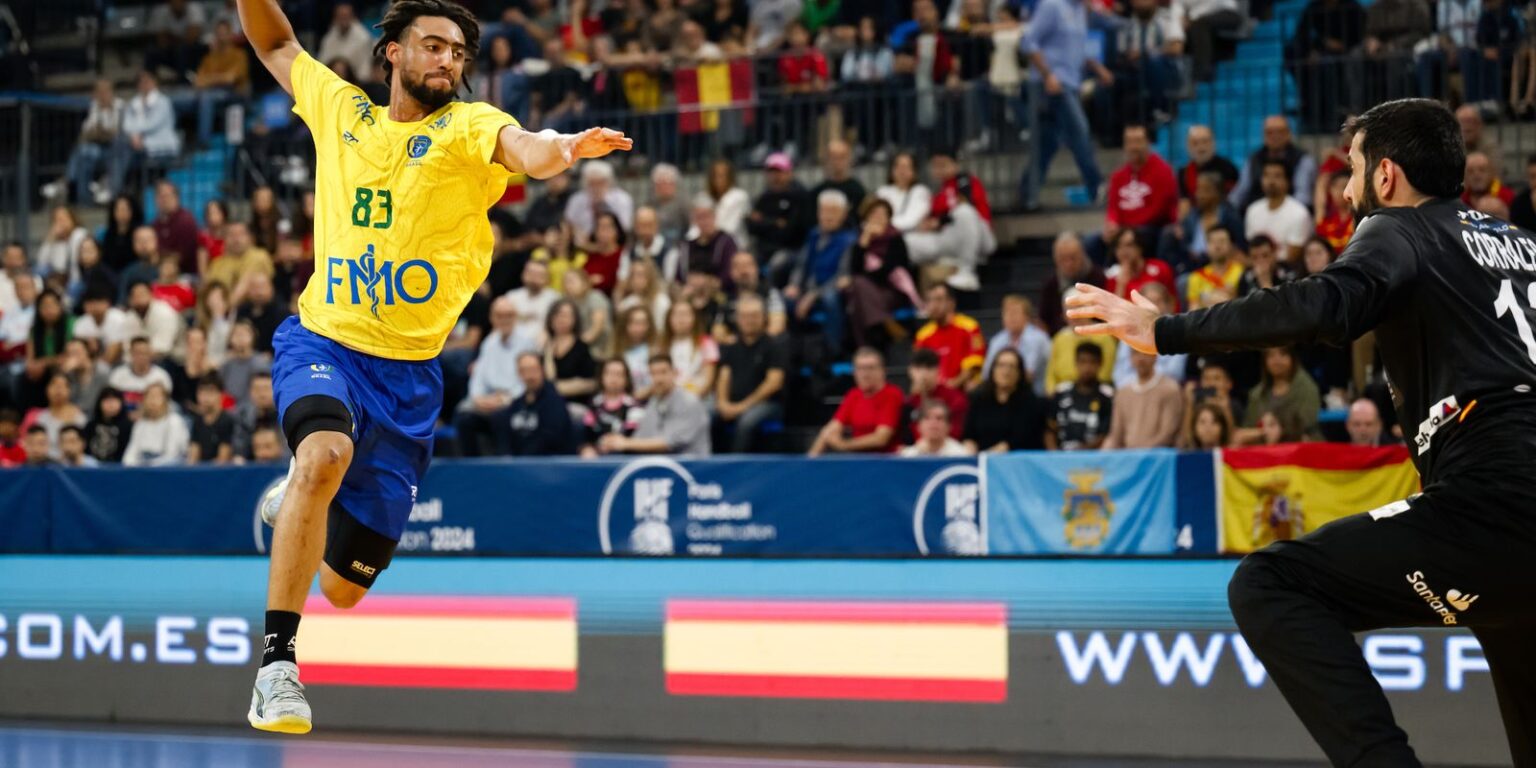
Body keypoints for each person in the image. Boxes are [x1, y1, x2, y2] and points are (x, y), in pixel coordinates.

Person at [1064, 97, 1536, 765]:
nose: (1345, 188)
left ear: (1386, 177)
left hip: (1495, 494)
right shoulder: (1522, 245)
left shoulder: (1399, 228)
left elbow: (1320, 303)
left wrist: (1166, 331)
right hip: (1510, 512)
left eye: (1352, 168)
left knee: (1269, 585)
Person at [236, 0, 631, 733]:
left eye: (457, 52)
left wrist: (565, 149)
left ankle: (296, 498)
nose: (447, 60)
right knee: (324, 454)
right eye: (432, 46)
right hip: (324, 341)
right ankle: (277, 667)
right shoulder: (342, 112)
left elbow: (524, 147)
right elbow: (276, 42)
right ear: (392, 52)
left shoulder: (468, 128)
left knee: (346, 588)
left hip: (410, 378)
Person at [1021, 0, 1109, 209]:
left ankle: (1027, 196)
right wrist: (1048, 75)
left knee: (1047, 144)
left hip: (1071, 82)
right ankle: (1097, 188)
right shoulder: (1052, 5)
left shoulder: (1080, 10)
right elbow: (1028, 41)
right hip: (1050, 85)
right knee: (1079, 132)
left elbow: (1075, 48)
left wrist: (1097, 68)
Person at [905, 152, 995, 292]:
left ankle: (967, 271)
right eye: (935, 166)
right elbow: (932, 219)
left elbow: (967, 206)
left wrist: (939, 221)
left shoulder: (965, 181)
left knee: (964, 212)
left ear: (955, 165)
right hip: (951, 239)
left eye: (943, 165)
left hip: (980, 237)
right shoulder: (936, 191)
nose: (939, 169)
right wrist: (926, 224)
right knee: (907, 241)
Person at [714, 295, 788, 454]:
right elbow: (723, 377)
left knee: (747, 421)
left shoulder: (775, 345)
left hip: (768, 404)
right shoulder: (731, 346)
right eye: (744, 316)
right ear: (737, 319)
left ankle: (736, 466)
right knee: (707, 416)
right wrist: (722, 403)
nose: (749, 320)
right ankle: (707, 466)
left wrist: (742, 406)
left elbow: (774, 383)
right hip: (734, 402)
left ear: (764, 317)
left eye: (754, 315)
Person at [785, 190, 857, 353]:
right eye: (824, 211)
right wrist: (794, 284)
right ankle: (794, 352)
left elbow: (842, 276)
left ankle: (834, 351)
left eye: (833, 212)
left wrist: (813, 295)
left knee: (830, 299)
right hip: (808, 288)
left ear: (844, 214)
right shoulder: (814, 234)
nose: (827, 216)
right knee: (785, 299)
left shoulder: (849, 240)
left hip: (830, 289)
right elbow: (801, 265)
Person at [843, 198, 920, 350]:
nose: (879, 218)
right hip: (868, 293)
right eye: (874, 214)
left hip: (892, 290)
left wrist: (866, 277)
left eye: (883, 214)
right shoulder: (858, 240)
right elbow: (855, 268)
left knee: (858, 291)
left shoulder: (895, 238)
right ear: (866, 217)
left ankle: (865, 348)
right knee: (858, 290)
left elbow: (889, 270)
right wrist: (864, 240)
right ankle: (885, 324)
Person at [599, 354, 711, 457]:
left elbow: (669, 442)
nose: (658, 379)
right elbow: (641, 437)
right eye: (653, 373)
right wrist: (613, 441)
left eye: (663, 372)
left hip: (693, 468)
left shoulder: (689, 402)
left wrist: (625, 443)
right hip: (663, 467)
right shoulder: (654, 402)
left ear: (674, 373)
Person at [808, 347, 903, 456]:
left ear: (882, 371)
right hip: (859, 461)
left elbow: (881, 438)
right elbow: (830, 430)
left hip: (886, 460)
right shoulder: (854, 395)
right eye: (860, 368)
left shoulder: (892, 394)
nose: (865, 374)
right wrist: (808, 464)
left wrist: (845, 445)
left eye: (870, 368)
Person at [42, 80, 123, 206]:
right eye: (99, 92)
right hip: (97, 148)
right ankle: (84, 200)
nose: (102, 95)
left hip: (116, 151)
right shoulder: (95, 107)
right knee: (84, 152)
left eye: (105, 92)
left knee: (85, 152)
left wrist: (100, 133)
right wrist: (99, 132)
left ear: (111, 92)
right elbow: (85, 133)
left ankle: (65, 182)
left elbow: (116, 132)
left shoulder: (120, 106)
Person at [107, 72, 180, 202]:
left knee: (122, 146)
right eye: (141, 82)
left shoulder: (163, 102)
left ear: (154, 82)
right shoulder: (134, 103)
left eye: (147, 81)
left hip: (160, 143)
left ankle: (117, 192)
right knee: (119, 143)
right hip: (136, 144)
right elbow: (126, 124)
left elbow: (153, 123)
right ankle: (118, 190)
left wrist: (136, 135)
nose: (144, 85)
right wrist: (134, 136)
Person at [747, 152, 814, 283]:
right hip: (764, 250)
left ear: (789, 173)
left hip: (792, 251)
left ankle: (770, 295)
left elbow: (791, 231)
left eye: (779, 172)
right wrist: (775, 222)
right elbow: (751, 226)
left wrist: (764, 222)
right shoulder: (763, 197)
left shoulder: (800, 197)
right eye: (771, 173)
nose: (775, 177)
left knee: (776, 264)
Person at [964, 348, 1047, 452]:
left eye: (1012, 367)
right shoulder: (978, 398)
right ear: (993, 370)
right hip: (982, 460)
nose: (1006, 371)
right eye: (1001, 365)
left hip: (1018, 460)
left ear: (1019, 373)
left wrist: (989, 456)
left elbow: (1022, 438)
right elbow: (969, 435)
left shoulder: (1031, 402)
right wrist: (970, 451)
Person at [1230, 116, 1319, 211]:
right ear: (1263, 135)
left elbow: (1303, 196)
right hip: (1257, 213)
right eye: (1270, 132)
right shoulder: (1253, 160)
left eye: (1280, 131)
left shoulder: (1303, 160)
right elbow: (1240, 192)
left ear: (1289, 133)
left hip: (1290, 214)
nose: (1275, 136)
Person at [1102, 350, 1184, 448]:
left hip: (1160, 458)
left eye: (1145, 352)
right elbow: (1116, 435)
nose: (1140, 358)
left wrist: (1140, 454)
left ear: (1155, 356)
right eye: (1135, 353)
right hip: (1129, 457)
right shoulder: (1123, 393)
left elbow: (1168, 433)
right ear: (1130, 358)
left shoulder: (1170, 389)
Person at [498, 352, 575, 456]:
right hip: (518, 466)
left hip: (549, 465)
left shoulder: (555, 402)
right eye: (524, 371)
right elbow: (506, 437)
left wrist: (522, 460)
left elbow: (550, 438)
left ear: (542, 370)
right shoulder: (516, 405)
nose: (529, 376)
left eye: (533, 369)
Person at [914, 284, 986, 391]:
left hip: (962, 388)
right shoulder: (923, 335)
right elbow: (918, 369)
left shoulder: (970, 327)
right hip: (934, 392)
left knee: (972, 385)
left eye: (938, 300)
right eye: (929, 301)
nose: (933, 305)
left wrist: (951, 386)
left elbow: (973, 366)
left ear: (951, 303)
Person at [1046, 342, 1114, 451]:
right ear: (1076, 363)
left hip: (1094, 459)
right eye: (1083, 362)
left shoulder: (1108, 396)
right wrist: (1054, 455)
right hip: (1060, 457)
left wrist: (1079, 454)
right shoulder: (1061, 392)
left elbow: (1106, 434)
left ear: (1100, 364)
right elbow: (1049, 430)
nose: (1087, 367)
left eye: (1092, 362)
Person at [1245, 160, 1316, 261]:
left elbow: (1293, 257)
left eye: (1277, 176)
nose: (1271, 181)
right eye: (1266, 175)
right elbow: (1252, 249)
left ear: (1288, 181)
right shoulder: (1252, 210)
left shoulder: (1299, 213)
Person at [984, 295, 1052, 396]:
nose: (1010, 317)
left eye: (1015, 312)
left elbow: (1028, 375)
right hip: (1004, 395)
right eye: (1006, 312)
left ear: (1027, 317)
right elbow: (987, 373)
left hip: (1035, 395)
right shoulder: (997, 340)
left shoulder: (1038, 338)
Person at [1040, 232, 1106, 334]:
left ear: (1083, 255)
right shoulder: (1051, 284)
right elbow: (1044, 320)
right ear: (1055, 259)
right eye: (1063, 259)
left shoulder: (1098, 277)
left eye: (1073, 258)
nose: (1068, 264)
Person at [716, 251, 788, 344]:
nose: (743, 271)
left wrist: (752, 347)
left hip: (765, 348)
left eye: (747, 265)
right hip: (735, 349)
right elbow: (718, 329)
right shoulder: (726, 297)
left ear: (756, 269)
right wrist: (732, 343)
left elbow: (777, 325)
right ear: (731, 272)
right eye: (737, 267)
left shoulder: (770, 293)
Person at [579, 358, 645, 457]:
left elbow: (632, 438)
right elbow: (587, 435)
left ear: (626, 379)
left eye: (619, 374)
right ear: (602, 377)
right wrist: (587, 449)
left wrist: (613, 443)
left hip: (623, 458)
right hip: (596, 456)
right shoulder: (594, 404)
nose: (614, 379)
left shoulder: (634, 406)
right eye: (609, 373)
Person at [904, 347, 970, 444]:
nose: (923, 374)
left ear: (938, 370)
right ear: (910, 371)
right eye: (918, 368)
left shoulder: (955, 398)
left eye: (929, 368)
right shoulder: (909, 402)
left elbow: (957, 432)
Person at [564, 160, 635, 242]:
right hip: (583, 246)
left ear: (609, 182)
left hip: (615, 245)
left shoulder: (622, 199)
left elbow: (625, 227)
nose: (596, 188)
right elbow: (568, 225)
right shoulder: (576, 200)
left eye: (600, 182)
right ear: (585, 183)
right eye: (592, 183)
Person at [661, 301, 719, 398]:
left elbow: (708, 381)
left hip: (698, 397)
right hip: (669, 397)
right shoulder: (662, 345)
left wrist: (690, 399)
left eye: (686, 315)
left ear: (694, 318)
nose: (681, 319)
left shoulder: (707, 343)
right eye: (676, 315)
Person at [542, 300, 597, 401]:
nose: (561, 319)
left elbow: (591, 383)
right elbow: (548, 379)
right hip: (549, 402)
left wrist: (558, 388)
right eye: (558, 314)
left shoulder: (581, 347)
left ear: (575, 320)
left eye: (566, 315)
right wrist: (548, 353)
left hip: (575, 402)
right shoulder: (544, 347)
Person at [121, 383, 189, 467]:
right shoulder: (140, 424)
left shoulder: (174, 421)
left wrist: (148, 466)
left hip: (167, 471)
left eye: (157, 396)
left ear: (166, 400)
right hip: (143, 469)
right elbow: (130, 454)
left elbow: (172, 455)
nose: (153, 400)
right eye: (149, 396)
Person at [23, 371, 87, 459]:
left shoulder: (80, 418)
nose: (58, 390)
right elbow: (26, 445)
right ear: (47, 389)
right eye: (54, 385)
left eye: (62, 386)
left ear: (70, 390)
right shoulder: (37, 417)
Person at [1186, 226, 1246, 310]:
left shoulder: (1242, 272)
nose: (1217, 246)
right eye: (1213, 242)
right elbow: (1192, 311)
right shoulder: (1196, 277)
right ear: (1206, 246)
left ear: (1231, 245)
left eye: (1222, 241)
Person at [812, 139, 867, 228]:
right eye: (833, 157)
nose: (837, 162)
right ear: (826, 160)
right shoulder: (816, 192)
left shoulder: (858, 191)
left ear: (849, 159)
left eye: (842, 157)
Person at [107, 337, 174, 410]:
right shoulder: (118, 375)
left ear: (151, 354)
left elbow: (165, 405)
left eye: (145, 353)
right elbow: (111, 402)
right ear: (131, 353)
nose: (141, 356)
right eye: (137, 353)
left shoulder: (162, 376)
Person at [876, 152, 933, 234]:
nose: (902, 171)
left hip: (910, 236)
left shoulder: (921, 191)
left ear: (914, 172)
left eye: (906, 167)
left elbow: (912, 219)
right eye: (898, 167)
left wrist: (886, 225)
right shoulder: (882, 191)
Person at [505, 259, 560, 343]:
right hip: (511, 344)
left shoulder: (555, 299)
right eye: (530, 273)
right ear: (523, 274)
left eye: (538, 275)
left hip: (541, 346)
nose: (533, 278)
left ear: (547, 278)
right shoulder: (511, 296)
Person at [316, 4, 375, 80]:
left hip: (356, 83)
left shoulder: (363, 38)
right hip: (332, 81)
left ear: (353, 17)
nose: (343, 20)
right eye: (340, 17)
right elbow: (322, 65)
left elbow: (365, 72)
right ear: (335, 18)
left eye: (346, 16)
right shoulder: (328, 38)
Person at [187, 373, 236, 464]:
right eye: (201, 392)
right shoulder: (197, 421)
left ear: (221, 394)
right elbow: (193, 456)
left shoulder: (227, 421)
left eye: (210, 392)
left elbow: (222, 460)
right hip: (200, 472)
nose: (205, 397)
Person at [900, 401, 973, 457]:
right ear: (918, 426)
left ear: (949, 426)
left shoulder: (962, 455)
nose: (933, 423)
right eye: (927, 418)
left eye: (939, 418)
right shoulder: (907, 456)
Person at [83, 388, 131, 463]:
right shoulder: (91, 426)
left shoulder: (128, 426)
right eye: (107, 401)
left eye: (114, 400)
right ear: (99, 403)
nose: (111, 404)